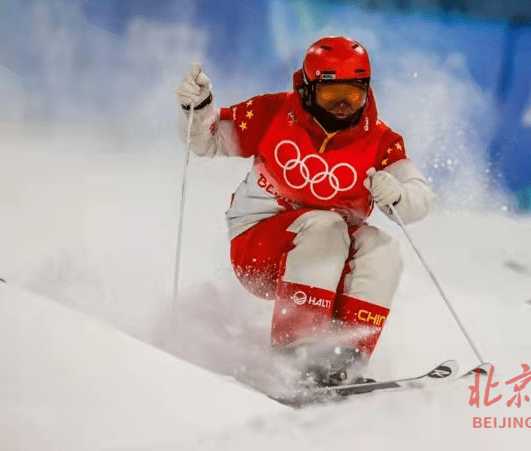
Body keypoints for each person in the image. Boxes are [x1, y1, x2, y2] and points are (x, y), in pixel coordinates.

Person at [176, 36, 432, 387]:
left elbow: (419, 199)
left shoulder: (381, 141)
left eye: (353, 95)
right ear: (309, 88)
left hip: (329, 256)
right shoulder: (273, 112)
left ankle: (343, 362)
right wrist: (199, 110)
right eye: (331, 95)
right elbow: (208, 141)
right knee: (324, 225)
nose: (342, 106)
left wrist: (399, 194)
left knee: (382, 249)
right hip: (258, 246)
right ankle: (297, 358)